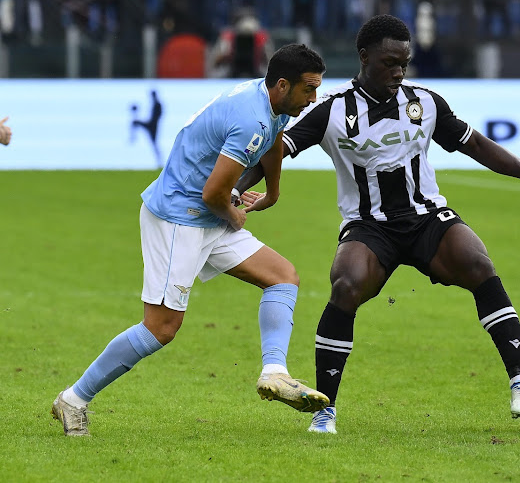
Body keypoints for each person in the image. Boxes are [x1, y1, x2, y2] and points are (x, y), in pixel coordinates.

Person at [236, 15, 520, 435]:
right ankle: (326, 410)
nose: (398, 71)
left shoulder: (425, 102)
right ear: (364, 57)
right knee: (345, 285)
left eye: (404, 62)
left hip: (427, 219)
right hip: (368, 226)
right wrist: (236, 189)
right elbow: (276, 149)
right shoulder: (333, 110)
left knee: (478, 264)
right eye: (389, 62)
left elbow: (477, 145)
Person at [51, 44, 329, 437]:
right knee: (161, 328)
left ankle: (275, 372)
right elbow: (214, 193)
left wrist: (273, 192)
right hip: (179, 218)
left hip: (206, 215)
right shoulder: (250, 117)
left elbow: (274, 142)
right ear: (283, 85)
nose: (314, 99)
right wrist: (235, 213)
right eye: (309, 89)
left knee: (282, 276)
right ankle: (74, 399)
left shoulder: (269, 100)